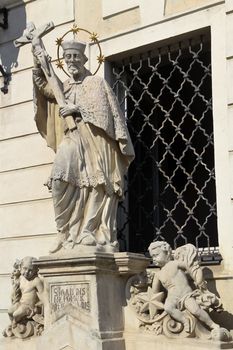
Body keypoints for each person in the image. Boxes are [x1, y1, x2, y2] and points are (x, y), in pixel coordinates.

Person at [32, 40, 134, 253]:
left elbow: (105, 114)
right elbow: (45, 87)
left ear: (84, 59)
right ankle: (64, 231)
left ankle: (88, 230)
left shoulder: (96, 83)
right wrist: (37, 61)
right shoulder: (65, 87)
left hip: (96, 140)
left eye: (75, 57)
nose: (71, 61)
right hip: (73, 138)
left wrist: (76, 109)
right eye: (68, 57)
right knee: (59, 178)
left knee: (97, 185)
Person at [148, 241, 220, 333]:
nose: (154, 259)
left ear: (167, 252)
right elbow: (155, 293)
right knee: (168, 307)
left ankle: (212, 324)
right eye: (152, 257)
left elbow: (191, 268)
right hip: (172, 297)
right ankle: (184, 321)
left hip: (185, 294)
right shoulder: (158, 274)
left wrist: (198, 281)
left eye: (156, 255)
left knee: (196, 310)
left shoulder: (175, 264)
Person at [8, 256, 44, 327]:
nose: (27, 272)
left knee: (16, 314)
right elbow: (16, 289)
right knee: (10, 311)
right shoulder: (21, 278)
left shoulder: (36, 281)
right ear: (21, 268)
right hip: (21, 303)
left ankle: (15, 323)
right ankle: (12, 324)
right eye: (25, 268)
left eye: (30, 270)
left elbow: (43, 296)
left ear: (35, 271)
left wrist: (39, 308)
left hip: (29, 307)